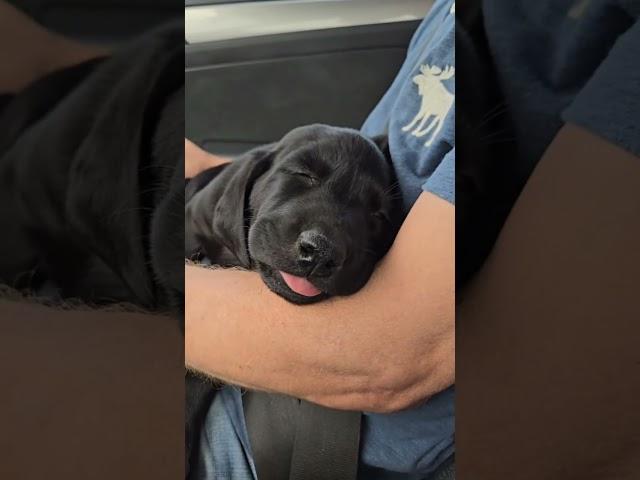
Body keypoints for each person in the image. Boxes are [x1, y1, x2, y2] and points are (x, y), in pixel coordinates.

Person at [184, 1, 456, 478]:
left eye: (375, 215)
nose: (321, 238)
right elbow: (358, 154)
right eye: (302, 175)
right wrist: (211, 173)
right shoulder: (447, 15)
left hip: (306, 428)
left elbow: (390, 359)